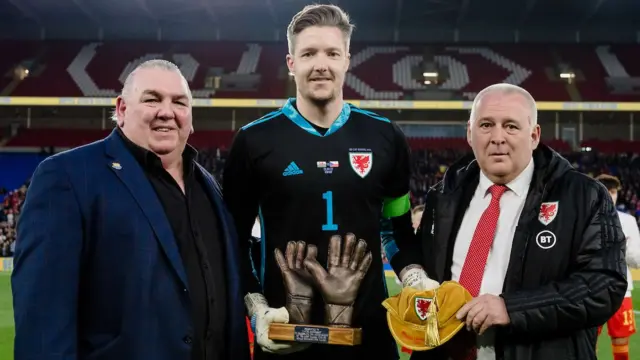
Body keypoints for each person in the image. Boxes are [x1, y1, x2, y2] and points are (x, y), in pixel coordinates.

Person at [11, 60, 250, 360]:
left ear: (190, 116)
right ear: (122, 109)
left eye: (179, 102)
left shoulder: (209, 185)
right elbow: (42, 318)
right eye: (152, 99)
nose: (167, 111)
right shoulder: (68, 176)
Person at [223, 4, 422, 360]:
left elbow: (396, 230)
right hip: (286, 337)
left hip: (368, 338)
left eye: (332, 53)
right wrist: (257, 308)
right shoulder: (253, 141)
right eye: (308, 53)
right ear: (291, 63)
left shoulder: (386, 137)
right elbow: (233, 243)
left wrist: (414, 278)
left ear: (347, 59)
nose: (320, 64)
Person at [405, 83, 627, 360]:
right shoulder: (443, 197)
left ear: (534, 136)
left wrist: (513, 308)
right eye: (486, 125)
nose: (497, 137)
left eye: (511, 126)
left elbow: (605, 285)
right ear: (469, 134)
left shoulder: (583, 196)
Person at [595, 174, 640, 360]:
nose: (610, 195)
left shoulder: (628, 221)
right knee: (588, 338)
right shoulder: (581, 217)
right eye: (606, 190)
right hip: (590, 287)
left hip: (620, 287)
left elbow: (635, 259)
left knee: (620, 339)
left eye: (613, 191)